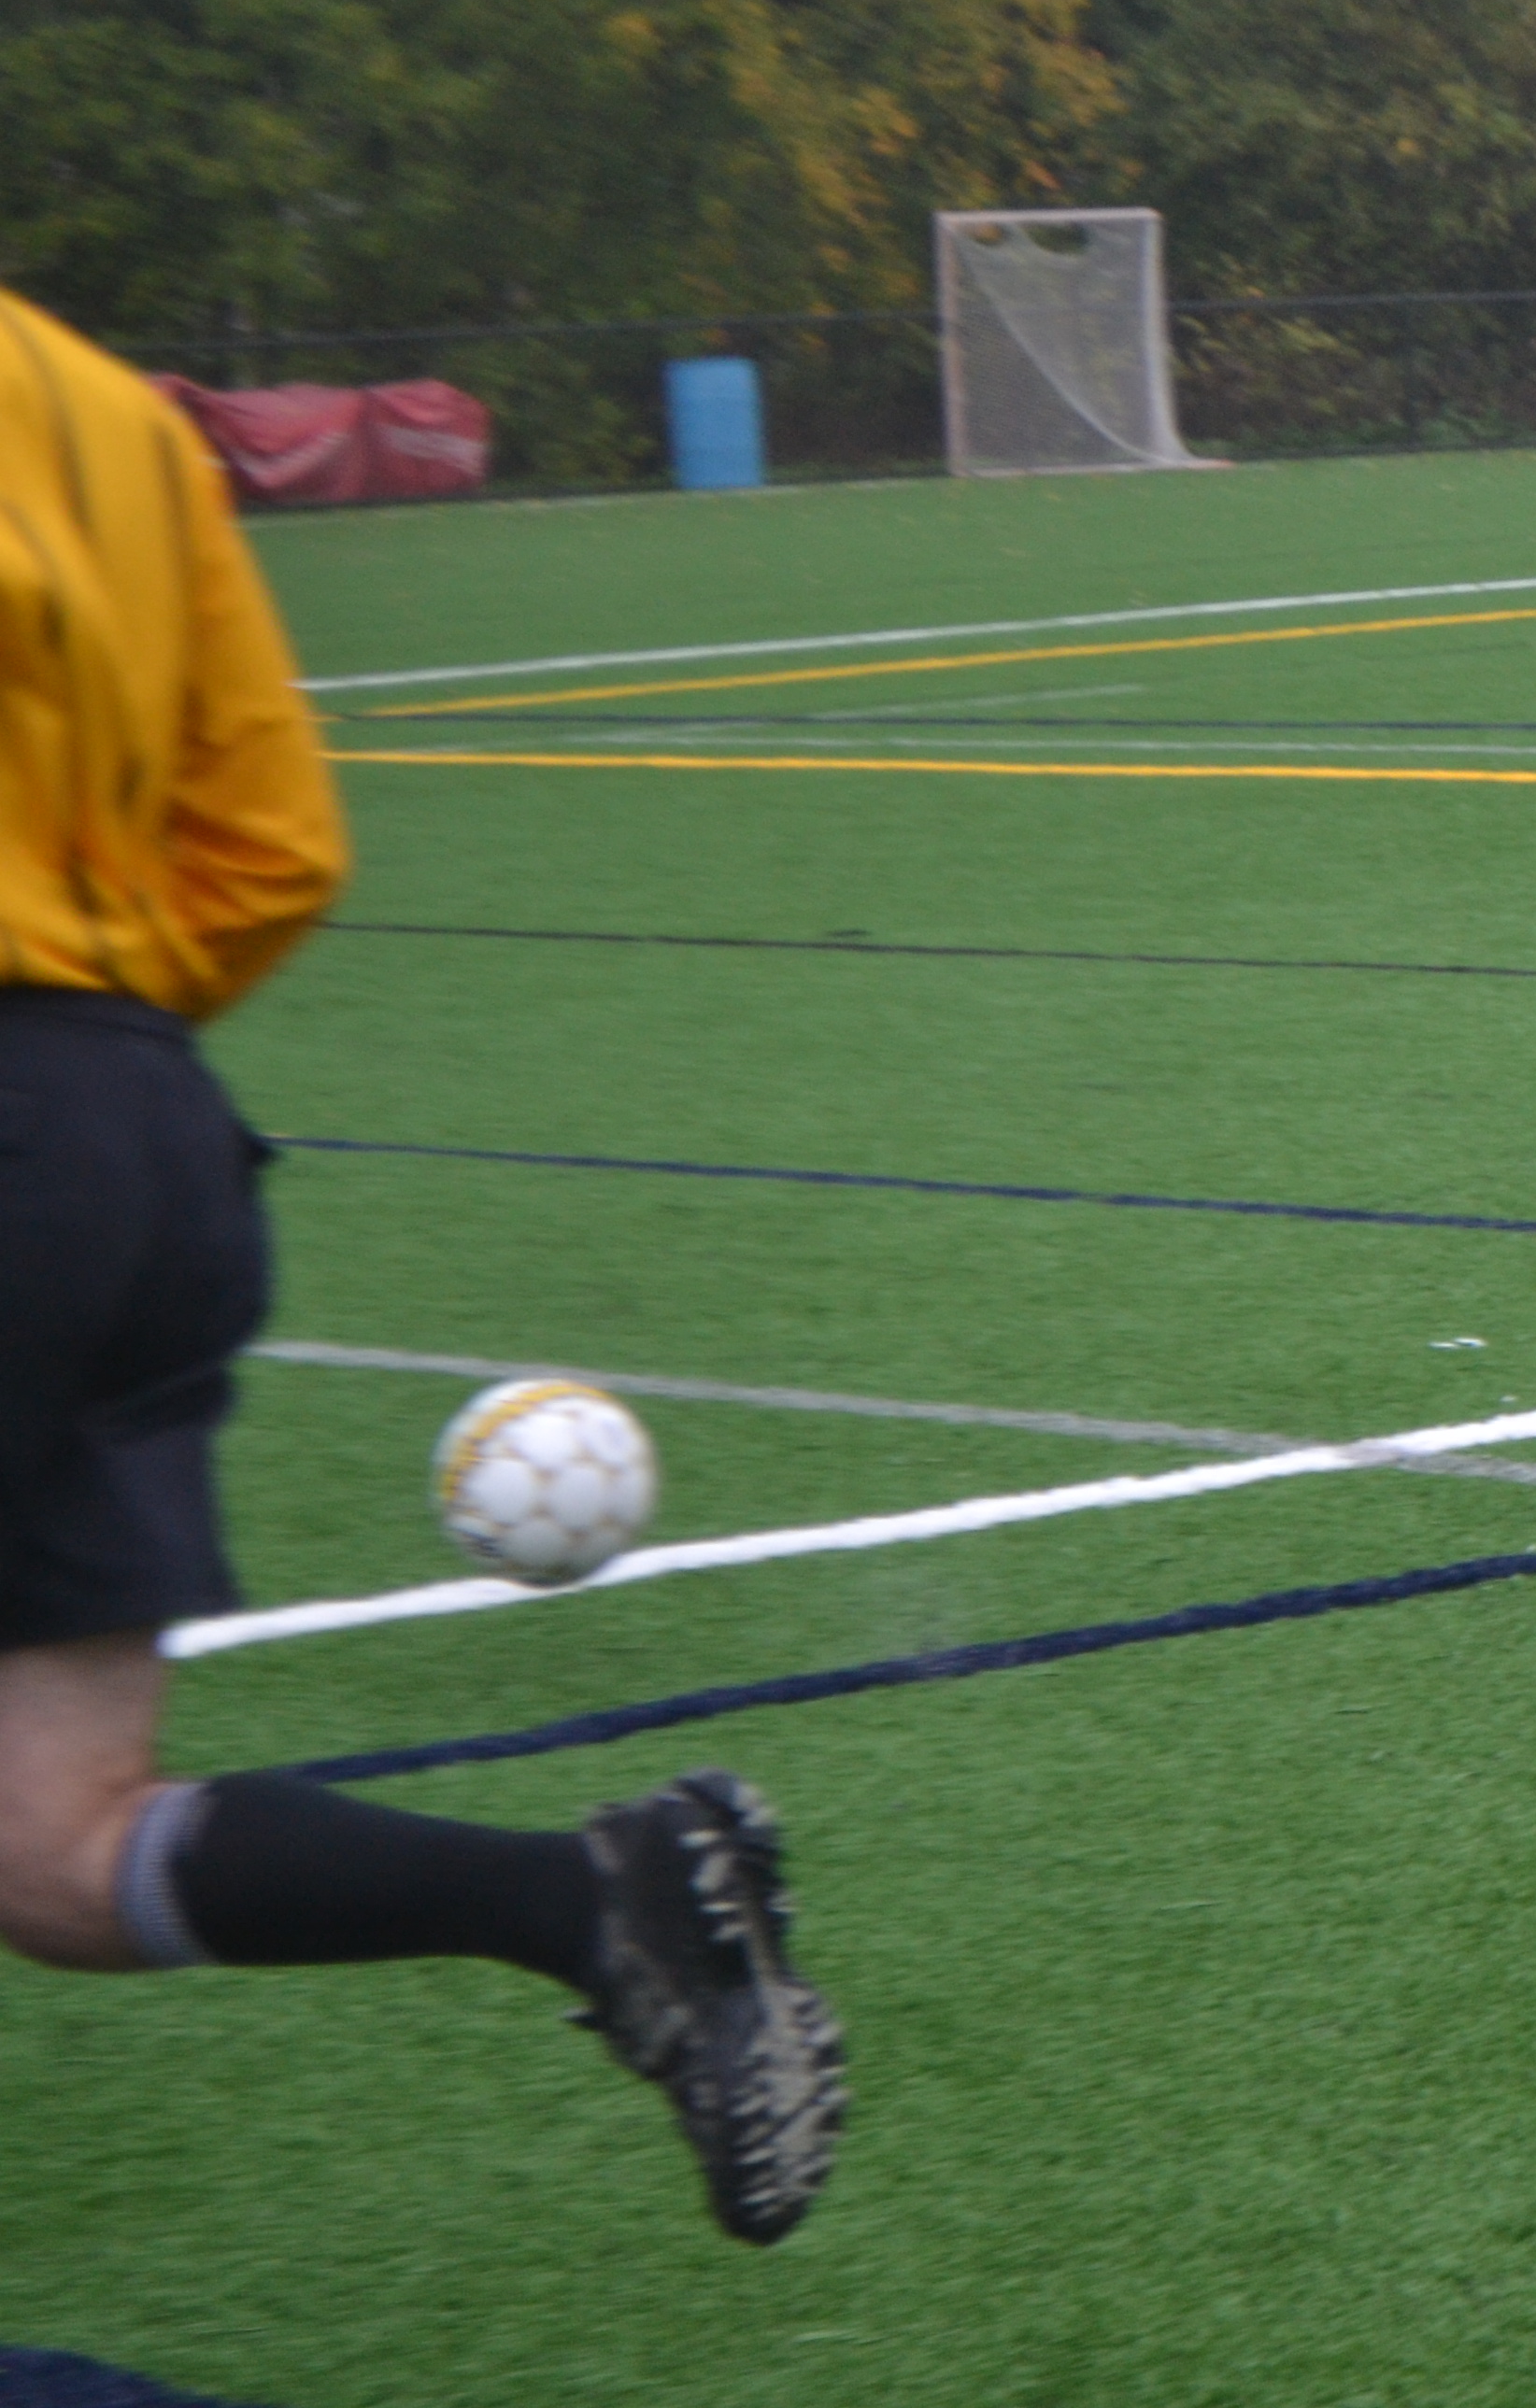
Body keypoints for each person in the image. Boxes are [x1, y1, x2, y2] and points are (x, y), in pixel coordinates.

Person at [0, 286, 845, 2244]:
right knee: (48, 1846)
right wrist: (81, 1068)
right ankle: (590, 1906)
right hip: (140, 1130)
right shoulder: (101, 411)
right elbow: (273, 847)